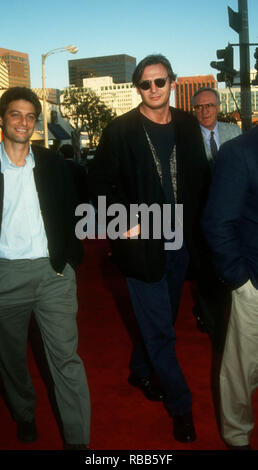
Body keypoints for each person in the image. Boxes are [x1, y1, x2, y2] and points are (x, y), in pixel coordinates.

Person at [89, 54, 209, 443]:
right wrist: (123, 224)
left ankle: (140, 369)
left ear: (172, 83)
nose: (153, 90)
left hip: (181, 242)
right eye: (146, 84)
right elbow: (99, 185)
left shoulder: (189, 125)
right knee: (161, 332)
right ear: (137, 87)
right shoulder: (120, 130)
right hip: (142, 243)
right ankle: (181, 406)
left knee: (162, 320)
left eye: (160, 82)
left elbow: (200, 180)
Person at [0, 87, 90, 450]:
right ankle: (23, 413)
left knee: (67, 359)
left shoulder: (53, 163)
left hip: (53, 274)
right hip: (6, 277)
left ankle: (79, 443)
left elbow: (75, 207)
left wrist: (68, 258)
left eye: (30, 116)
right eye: (15, 114)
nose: (23, 122)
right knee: (10, 360)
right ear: (3, 119)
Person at [202, 126, 258, 450]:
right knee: (242, 373)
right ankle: (237, 438)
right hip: (254, 285)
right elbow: (218, 223)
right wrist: (242, 282)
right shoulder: (239, 152)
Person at [191, 87, 242, 352]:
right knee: (206, 271)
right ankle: (214, 325)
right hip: (201, 216)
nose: (205, 111)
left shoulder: (235, 133)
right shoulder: (187, 138)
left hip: (234, 214)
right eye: (198, 107)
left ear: (218, 106)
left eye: (209, 105)